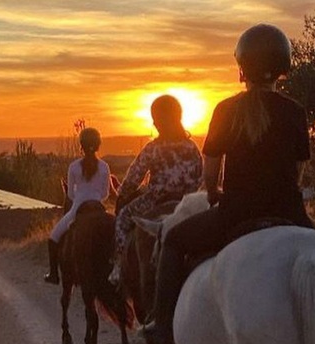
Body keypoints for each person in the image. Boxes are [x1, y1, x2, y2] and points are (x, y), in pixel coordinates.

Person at [143, 24, 314, 344]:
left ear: (241, 68)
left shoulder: (226, 109)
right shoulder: (295, 111)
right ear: (283, 68)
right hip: (291, 212)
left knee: (174, 242)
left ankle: (161, 324)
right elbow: (298, 170)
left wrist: (212, 192)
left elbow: (211, 165)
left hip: (237, 212)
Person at [108, 95, 203, 285]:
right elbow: (199, 178)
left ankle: (118, 267)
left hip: (155, 199)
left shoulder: (153, 148)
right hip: (187, 202)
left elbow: (133, 179)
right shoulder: (192, 147)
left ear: (158, 120)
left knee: (123, 217)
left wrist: (122, 194)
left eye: (155, 119)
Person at [44, 127, 112, 284]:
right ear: (98, 145)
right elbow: (105, 193)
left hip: (78, 208)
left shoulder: (73, 167)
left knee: (53, 238)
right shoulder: (104, 167)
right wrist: (95, 196)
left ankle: (54, 274)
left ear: (81, 144)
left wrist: (79, 198)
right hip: (98, 207)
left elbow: (70, 196)